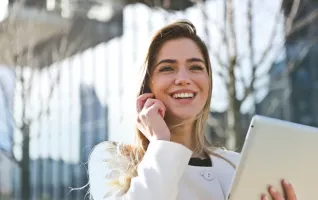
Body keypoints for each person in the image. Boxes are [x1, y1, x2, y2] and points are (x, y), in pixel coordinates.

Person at [88, 20, 297, 200]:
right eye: (167, 68)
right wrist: (161, 142)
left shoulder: (237, 166)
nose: (183, 79)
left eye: (196, 67)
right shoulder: (112, 160)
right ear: (147, 86)